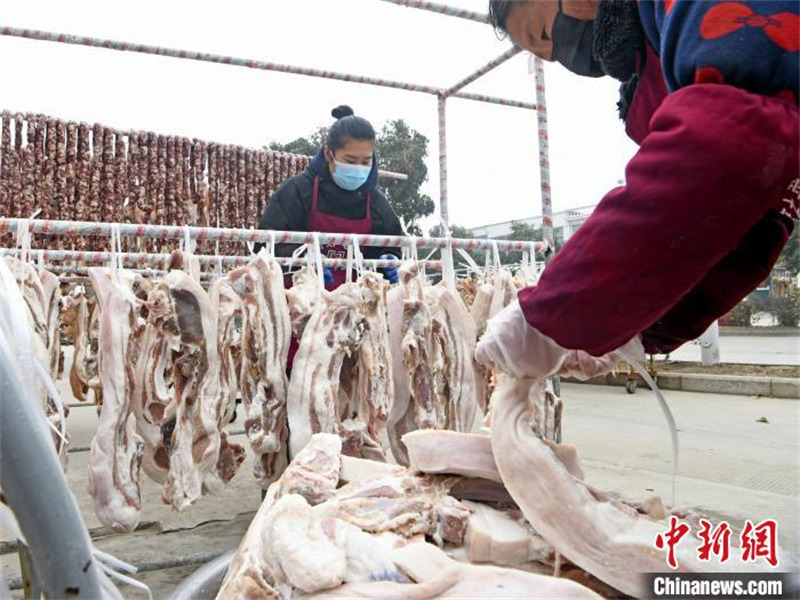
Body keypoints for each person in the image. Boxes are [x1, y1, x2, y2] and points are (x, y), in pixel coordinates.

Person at [477, 0, 799, 379]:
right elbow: (749, 229)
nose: (555, 56)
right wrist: (641, 330)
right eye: (543, 56)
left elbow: (727, 144)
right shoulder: (657, 77)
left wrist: (553, 316)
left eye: (544, 35)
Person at [256, 105, 403, 288]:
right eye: (350, 161)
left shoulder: (376, 203)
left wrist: (388, 260)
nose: (358, 167)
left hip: (357, 309)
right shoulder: (297, 192)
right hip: (299, 306)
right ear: (328, 153)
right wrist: (303, 259)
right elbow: (264, 245)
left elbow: (394, 244)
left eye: (366, 161)